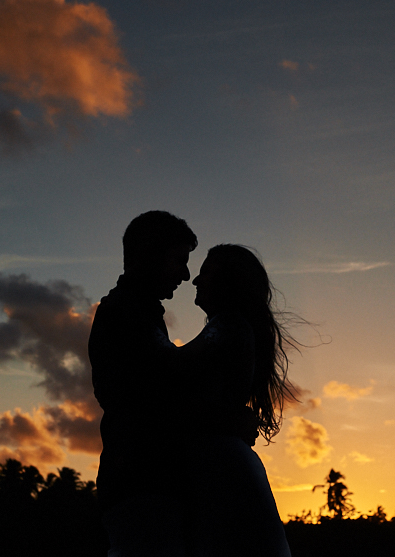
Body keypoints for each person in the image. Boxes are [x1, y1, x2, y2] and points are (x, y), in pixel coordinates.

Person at [88, 210, 198, 557]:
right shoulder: (126, 313)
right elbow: (157, 399)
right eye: (179, 261)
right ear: (151, 254)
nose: (185, 274)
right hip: (140, 488)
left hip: (140, 488)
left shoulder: (134, 311)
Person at [178, 244, 296, 557]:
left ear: (228, 281)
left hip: (223, 466)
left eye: (206, 272)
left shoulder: (228, 326)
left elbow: (167, 371)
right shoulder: (231, 329)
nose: (195, 280)